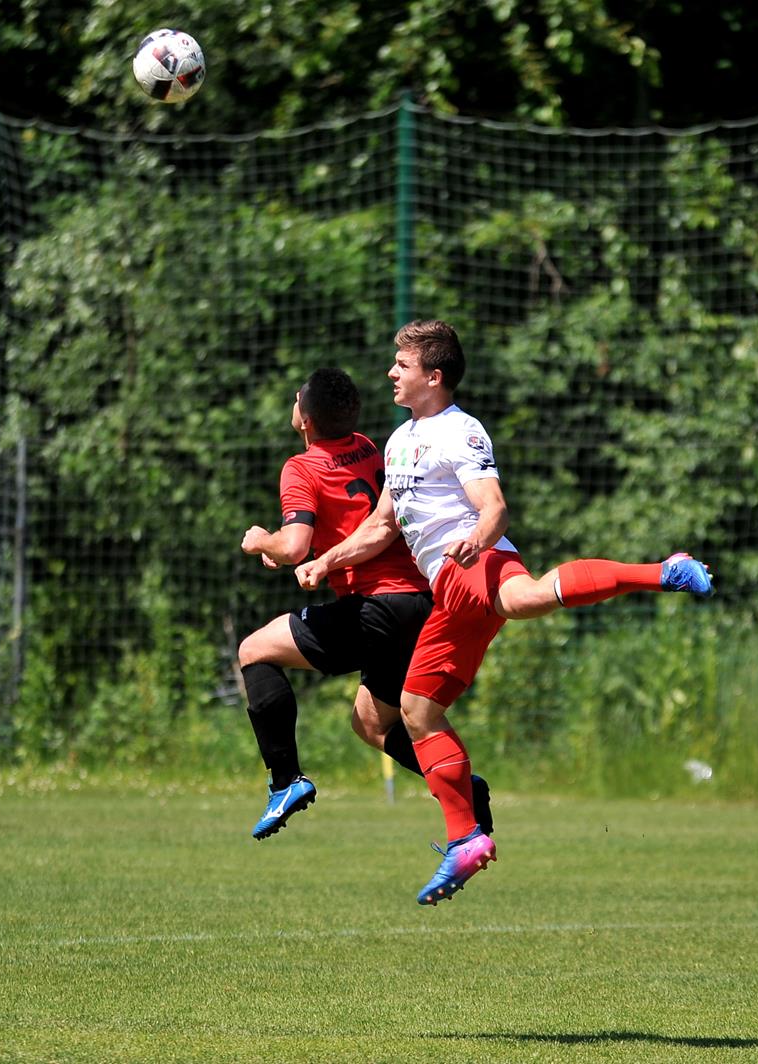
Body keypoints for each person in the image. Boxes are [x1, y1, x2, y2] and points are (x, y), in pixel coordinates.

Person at [296, 319, 715, 906]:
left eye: (403, 364)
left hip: (474, 562)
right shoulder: (398, 440)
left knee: (517, 609)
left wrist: (476, 539)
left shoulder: (460, 430)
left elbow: (493, 507)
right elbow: (382, 526)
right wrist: (326, 561)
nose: (391, 372)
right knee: (420, 708)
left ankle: (664, 572)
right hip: (451, 588)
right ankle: (466, 838)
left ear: (433, 377)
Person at [236, 367, 492, 841]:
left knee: (254, 651)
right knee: (372, 723)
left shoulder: (300, 466)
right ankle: (464, 790)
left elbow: (294, 545)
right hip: (420, 601)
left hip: (377, 606)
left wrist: (261, 541)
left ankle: (285, 781)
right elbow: (351, 520)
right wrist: (291, 550)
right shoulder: (369, 447)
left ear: (306, 419)